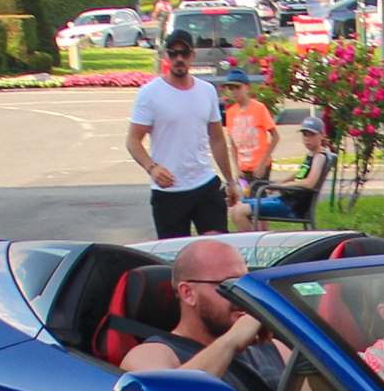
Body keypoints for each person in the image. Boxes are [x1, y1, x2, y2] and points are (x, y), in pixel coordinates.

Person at [118, 237, 290, 391]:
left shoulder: (274, 348)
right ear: (188, 293)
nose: (241, 295)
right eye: (228, 285)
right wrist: (230, 342)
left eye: (244, 284)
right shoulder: (152, 355)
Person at [125, 30, 238, 238]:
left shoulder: (207, 91)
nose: (179, 59)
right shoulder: (150, 93)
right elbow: (133, 140)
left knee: (217, 249)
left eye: (184, 53)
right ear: (165, 56)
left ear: (192, 55)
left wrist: (230, 181)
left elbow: (217, 138)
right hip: (169, 191)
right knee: (175, 257)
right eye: (173, 53)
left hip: (204, 184)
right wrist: (152, 168)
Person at [233, 119, 334, 230]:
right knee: (235, 207)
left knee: (240, 212)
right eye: (305, 135)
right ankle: (255, 239)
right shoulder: (311, 155)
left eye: (312, 135)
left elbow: (310, 183)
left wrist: (284, 186)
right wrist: (281, 183)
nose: (307, 139)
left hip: (293, 206)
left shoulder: (319, 157)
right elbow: (299, 173)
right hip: (285, 199)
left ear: (322, 136)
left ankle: (253, 244)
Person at [220, 68, 277, 196]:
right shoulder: (230, 113)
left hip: (260, 166)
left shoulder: (259, 108)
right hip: (243, 168)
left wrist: (263, 162)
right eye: (231, 89)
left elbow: (275, 136)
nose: (234, 92)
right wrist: (236, 167)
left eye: (237, 87)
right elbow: (233, 143)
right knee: (246, 199)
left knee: (258, 203)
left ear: (247, 87)